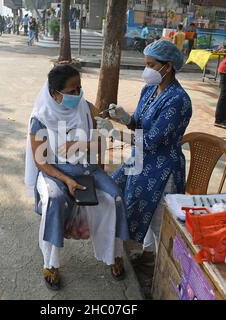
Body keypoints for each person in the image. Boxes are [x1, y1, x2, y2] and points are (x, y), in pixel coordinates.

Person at [24, 65, 129, 290]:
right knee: (54, 200)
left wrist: (105, 132)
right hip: (54, 172)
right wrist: (67, 180)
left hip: (87, 169)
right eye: (72, 91)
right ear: (55, 93)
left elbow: (99, 143)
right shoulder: (41, 118)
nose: (78, 95)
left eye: (79, 88)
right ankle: (51, 263)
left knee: (116, 197)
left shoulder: (85, 108)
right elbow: (41, 161)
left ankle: (115, 254)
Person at [96, 40, 192, 267]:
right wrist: (126, 119)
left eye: (151, 64)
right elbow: (141, 124)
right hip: (141, 160)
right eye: (145, 63)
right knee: (133, 204)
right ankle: (149, 253)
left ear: (167, 66)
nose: (146, 69)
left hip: (162, 167)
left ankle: (167, 271)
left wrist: (114, 134)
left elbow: (150, 141)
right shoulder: (149, 90)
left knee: (159, 220)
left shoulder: (178, 100)